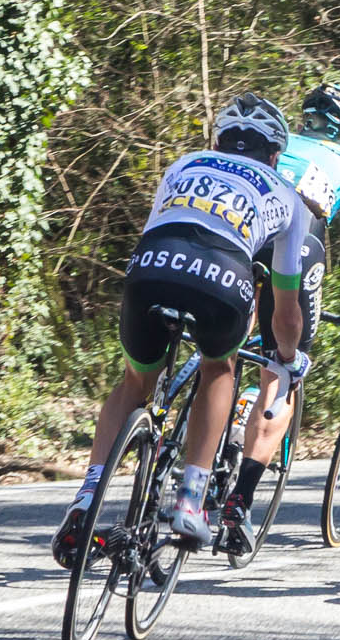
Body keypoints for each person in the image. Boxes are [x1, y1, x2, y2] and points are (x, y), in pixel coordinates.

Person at [55, 95, 311, 563]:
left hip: (152, 266)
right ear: (275, 155)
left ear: (218, 141)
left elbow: (159, 227)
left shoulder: (185, 162)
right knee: (219, 368)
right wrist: (289, 359)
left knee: (135, 384)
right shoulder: (289, 198)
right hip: (223, 275)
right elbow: (287, 314)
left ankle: (87, 497)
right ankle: (192, 499)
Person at [219, 82, 340, 553]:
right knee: (282, 366)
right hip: (295, 242)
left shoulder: (278, 144)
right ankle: (240, 502)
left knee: (227, 343)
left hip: (235, 224)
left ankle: (211, 417)